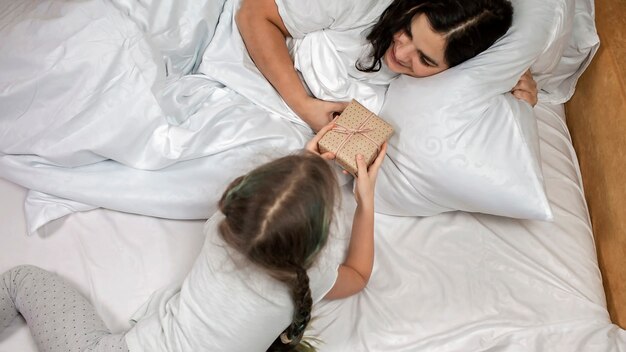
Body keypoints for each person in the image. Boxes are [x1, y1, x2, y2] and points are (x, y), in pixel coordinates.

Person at [0, 123, 388, 352]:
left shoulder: (219, 228)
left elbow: (267, 205)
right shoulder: (312, 278)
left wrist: (304, 160)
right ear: (313, 245)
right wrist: (366, 202)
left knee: (22, 281)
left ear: (235, 200)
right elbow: (358, 274)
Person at [236, 0, 538, 131]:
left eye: (425, 59)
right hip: (256, 53)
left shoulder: (454, 77)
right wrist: (302, 105)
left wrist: (513, 89)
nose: (402, 52)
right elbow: (253, 15)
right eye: (407, 30)